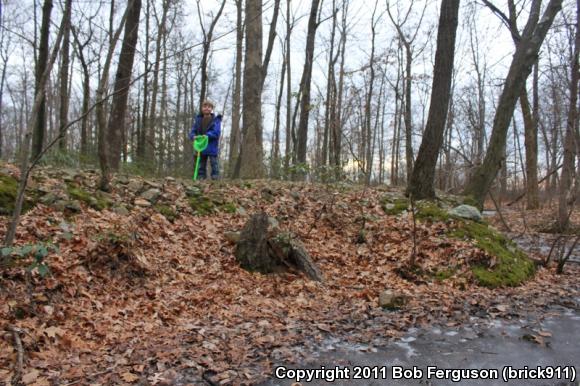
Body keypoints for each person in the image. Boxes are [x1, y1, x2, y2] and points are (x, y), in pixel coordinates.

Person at [189, 100, 222, 180]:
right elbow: (193, 130)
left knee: (214, 162)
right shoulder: (198, 120)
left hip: (211, 145)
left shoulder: (216, 120)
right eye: (205, 106)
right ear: (202, 108)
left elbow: (216, 132)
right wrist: (193, 136)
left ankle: (215, 177)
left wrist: (207, 135)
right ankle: (201, 177)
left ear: (211, 109)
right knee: (201, 163)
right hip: (201, 145)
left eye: (209, 107)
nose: (206, 108)